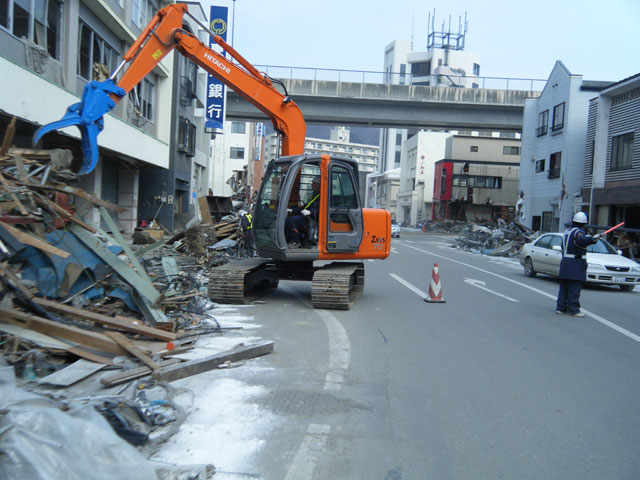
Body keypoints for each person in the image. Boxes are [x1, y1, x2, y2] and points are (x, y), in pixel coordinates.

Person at [556, 211, 600, 317]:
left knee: (564, 288)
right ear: (583, 224)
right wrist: (593, 238)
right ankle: (574, 309)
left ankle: (561, 307)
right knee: (574, 288)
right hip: (575, 263)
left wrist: (592, 239)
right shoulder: (578, 232)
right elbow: (581, 240)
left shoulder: (567, 231)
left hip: (565, 262)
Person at [285, 177, 321, 248]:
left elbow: (320, 209)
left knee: (294, 220)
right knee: (287, 220)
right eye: (312, 183)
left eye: (314, 183)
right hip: (307, 215)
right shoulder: (313, 195)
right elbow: (304, 208)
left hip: (312, 217)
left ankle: (296, 242)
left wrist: (310, 212)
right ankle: (289, 240)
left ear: (319, 185)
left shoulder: (321, 196)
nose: (312, 185)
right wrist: (292, 210)